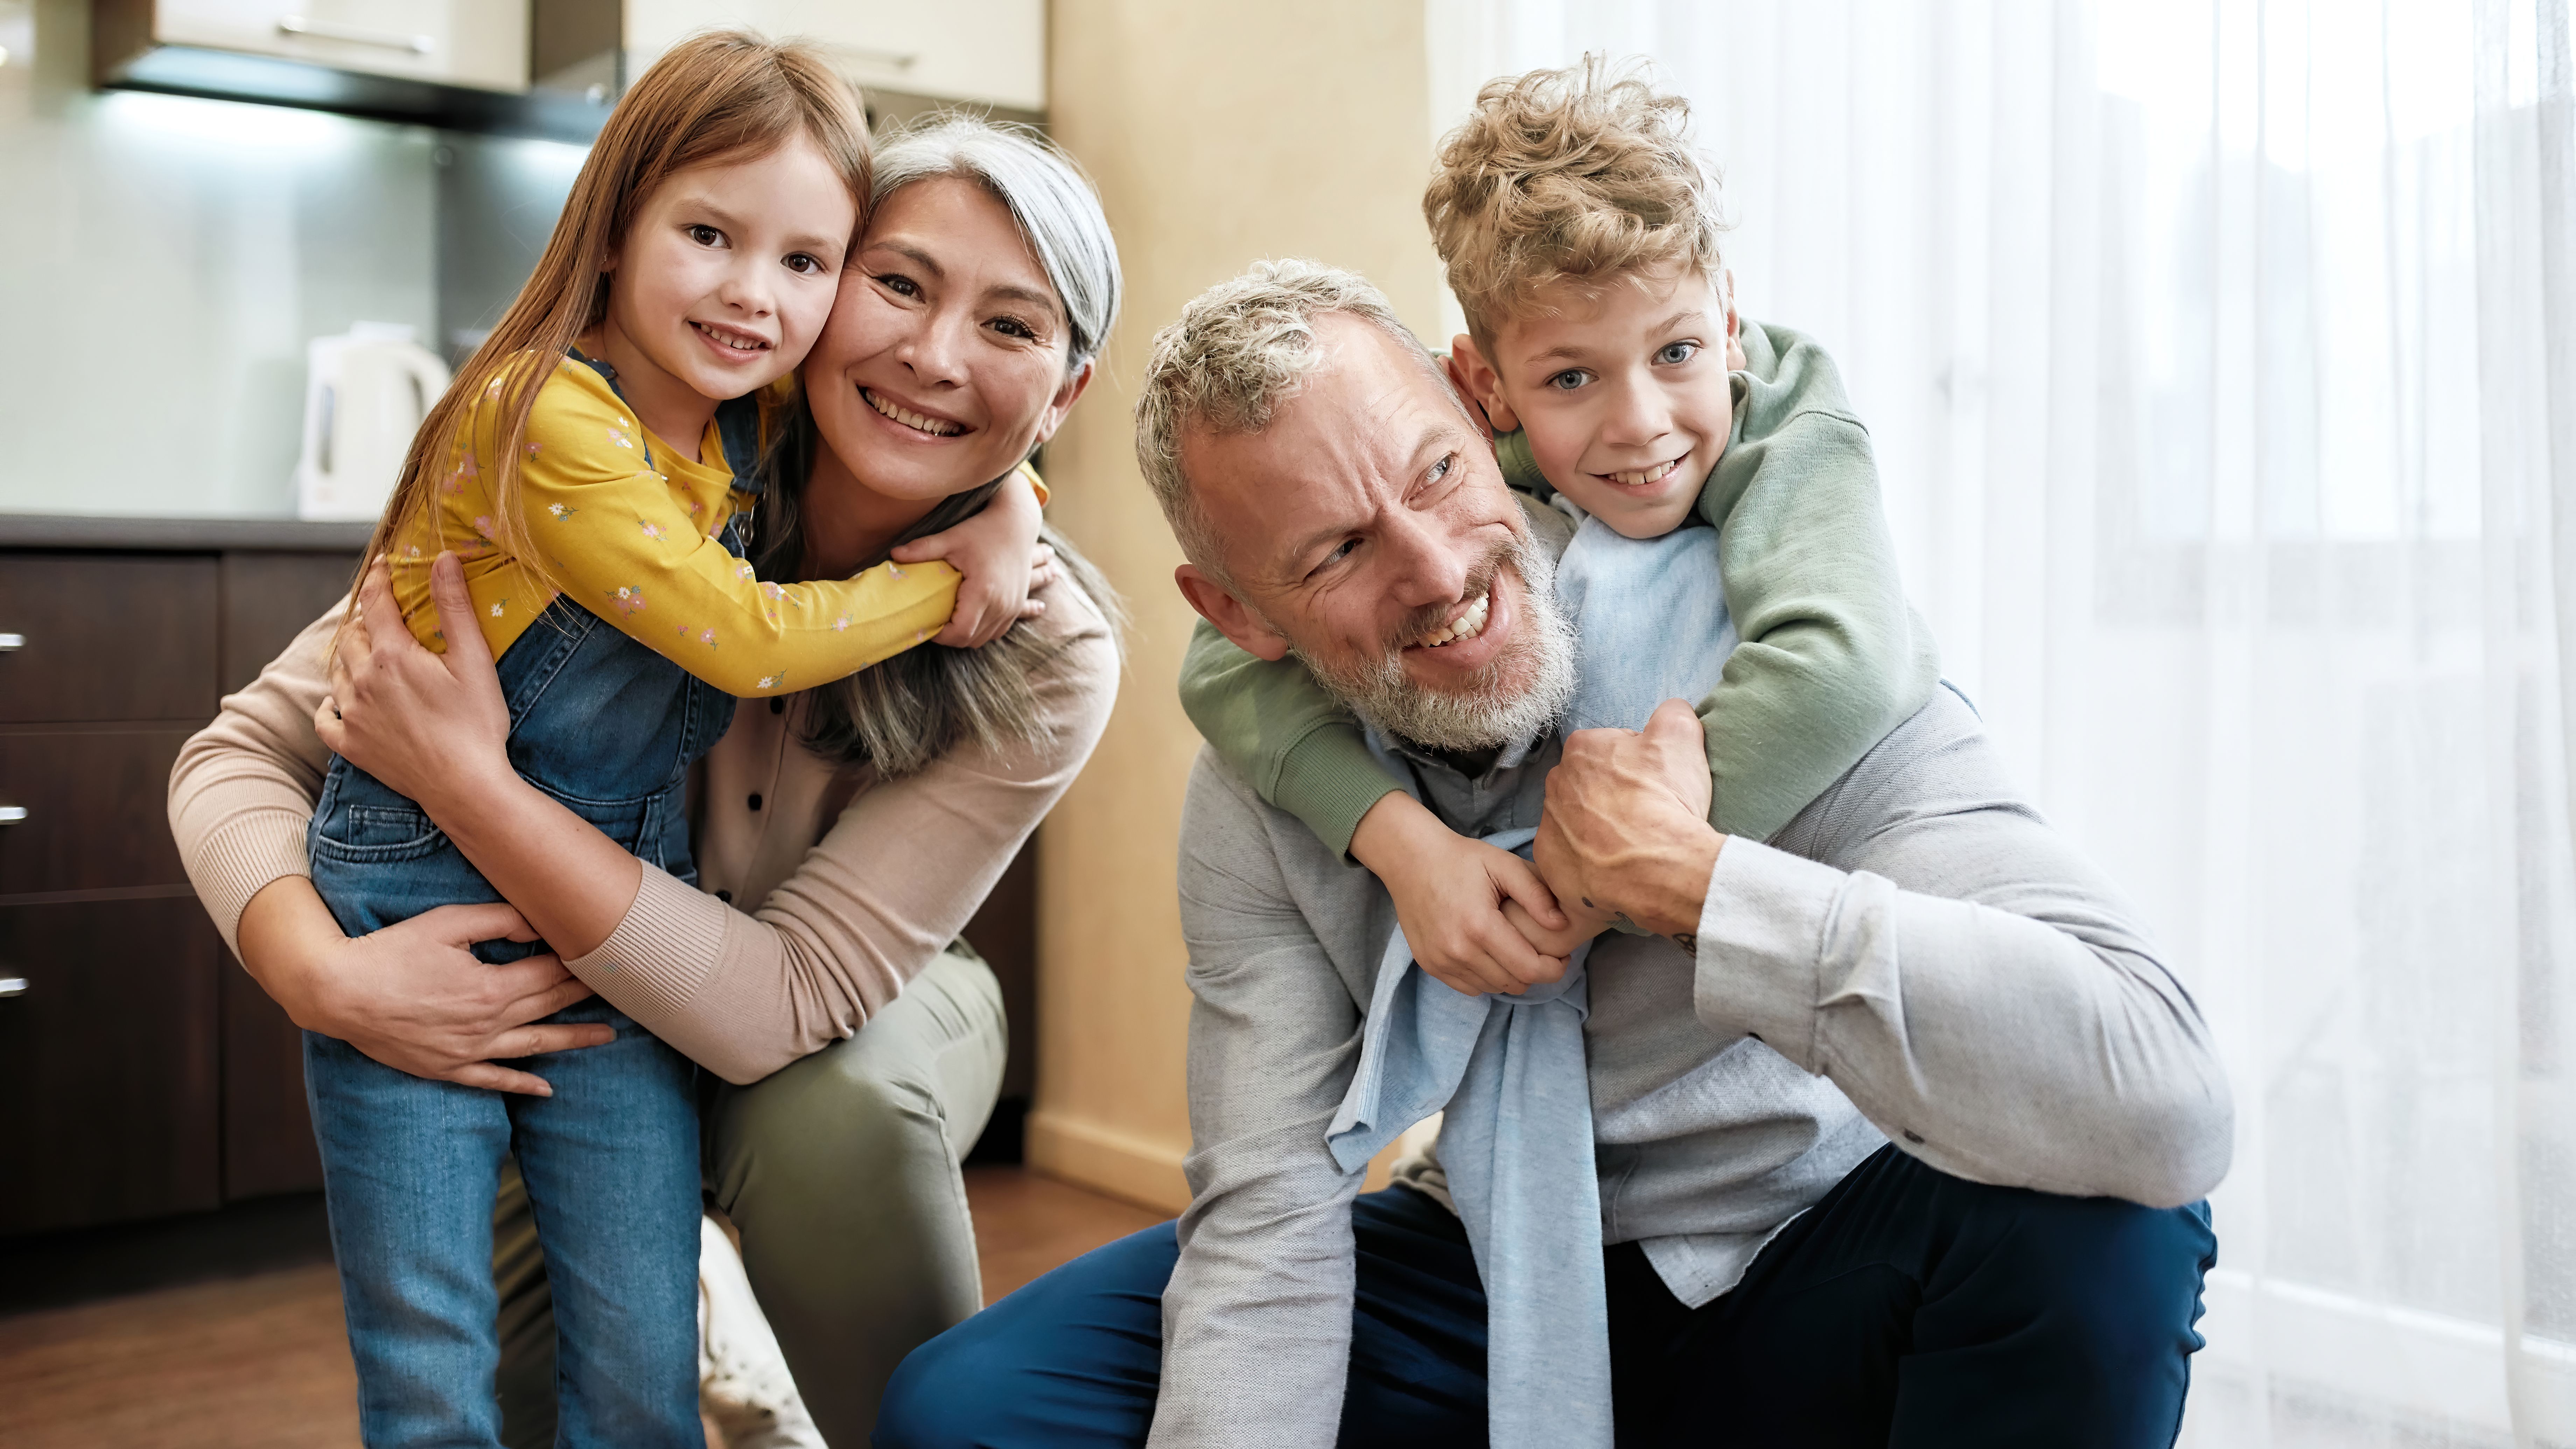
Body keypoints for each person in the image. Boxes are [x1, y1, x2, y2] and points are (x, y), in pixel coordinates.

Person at [872, 260, 2233, 1448]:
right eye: (1340, 549)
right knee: (974, 1408)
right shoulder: (1269, 796)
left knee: (2108, 1221)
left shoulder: (1782, 657)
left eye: (1438, 474)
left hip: (1815, 1260)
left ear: (1487, 419)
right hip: (1498, 1261)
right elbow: (1271, 1214)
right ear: (1237, 615)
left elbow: (2167, 1094)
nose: (1434, 570)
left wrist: (1701, 886)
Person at [167, 112, 1124, 1446]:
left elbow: (780, 1000)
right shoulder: (624, 477)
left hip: (852, 1001)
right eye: (896, 284)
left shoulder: (1053, 645)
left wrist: (471, 788)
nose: (933, 353)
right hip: (569, 1000)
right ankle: (712, 1323)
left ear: (1068, 393)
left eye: (1012, 327)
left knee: (826, 1124)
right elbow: (239, 753)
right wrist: (319, 976)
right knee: (523, 1395)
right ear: (827, 289)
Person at [1178, 61, 1937, 1003]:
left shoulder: (1792, 431)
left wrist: (1582, 885)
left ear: (1730, 324)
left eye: (1678, 351)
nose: (1640, 422)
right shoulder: (1482, 448)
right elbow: (1224, 655)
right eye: (1571, 379)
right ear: (1485, 388)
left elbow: (1844, 672)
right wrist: (1407, 846)